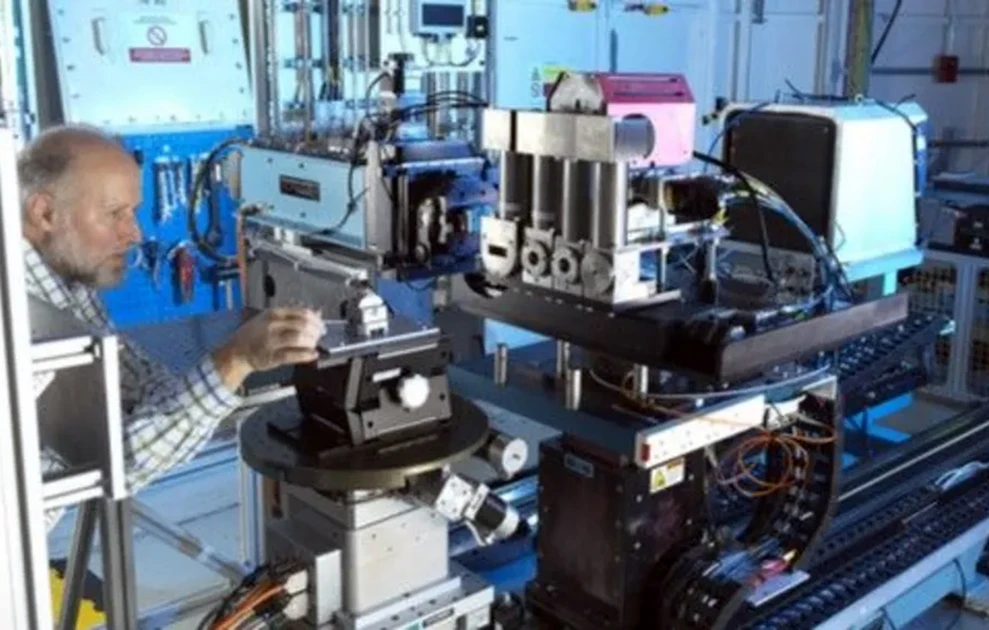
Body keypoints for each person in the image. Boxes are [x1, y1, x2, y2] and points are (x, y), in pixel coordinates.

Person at [19, 124, 323, 529]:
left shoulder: (67, 284)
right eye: (114, 213)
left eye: (133, 212)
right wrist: (236, 359)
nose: (135, 233)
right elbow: (117, 462)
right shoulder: (18, 318)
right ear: (44, 213)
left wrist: (223, 367)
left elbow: (137, 380)